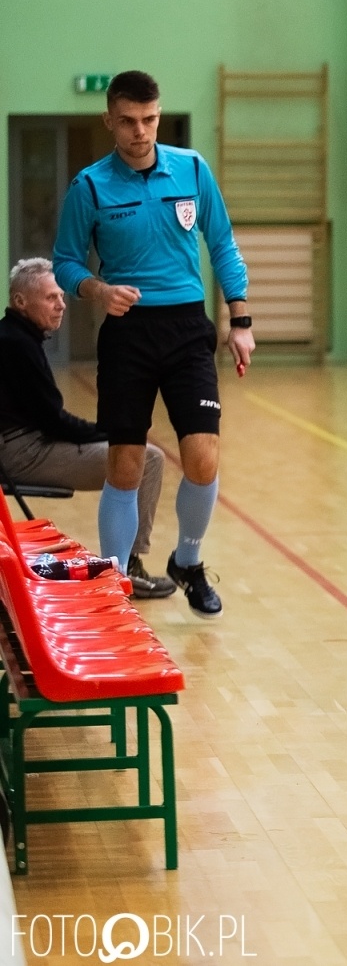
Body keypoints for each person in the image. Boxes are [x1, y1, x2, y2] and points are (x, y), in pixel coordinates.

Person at [52, 70, 254, 620]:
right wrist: (95, 288)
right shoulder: (89, 187)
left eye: (149, 119)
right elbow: (64, 262)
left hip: (188, 329)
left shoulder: (191, 170)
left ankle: (187, 561)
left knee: (203, 459)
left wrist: (240, 318)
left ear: (158, 117)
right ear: (109, 121)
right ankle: (114, 579)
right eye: (128, 121)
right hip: (128, 333)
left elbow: (223, 243)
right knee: (126, 462)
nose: (140, 131)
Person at [0, 260, 176, 599]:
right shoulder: (17, 344)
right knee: (147, 459)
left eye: (61, 297)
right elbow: (53, 421)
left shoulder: (14, 335)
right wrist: (114, 436)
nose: (61, 304)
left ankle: (125, 562)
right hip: (18, 453)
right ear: (21, 302)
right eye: (51, 297)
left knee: (135, 454)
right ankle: (129, 566)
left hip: (16, 447)